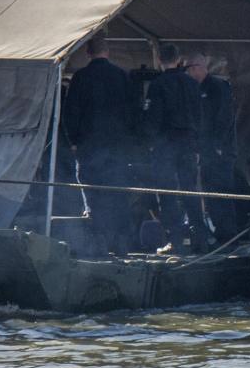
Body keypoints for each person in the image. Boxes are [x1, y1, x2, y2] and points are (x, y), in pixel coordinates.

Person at [63, 37, 134, 254]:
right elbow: (132, 112)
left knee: (93, 195)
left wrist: (73, 140)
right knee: (118, 194)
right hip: (117, 147)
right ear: (108, 52)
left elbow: (70, 112)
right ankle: (122, 244)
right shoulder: (122, 76)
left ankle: (99, 243)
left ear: (88, 52)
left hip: (90, 145)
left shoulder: (81, 77)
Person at [143, 42, 207, 252]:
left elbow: (152, 118)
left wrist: (150, 144)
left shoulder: (158, 85)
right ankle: (201, 238)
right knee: (190, 190)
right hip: (188, 143)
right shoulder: (192, 84)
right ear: (179, 60)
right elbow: (199, 116)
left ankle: (175, 240)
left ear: (160, 61)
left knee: (167, 192)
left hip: (166, 144)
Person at [185, 52, 240, 243]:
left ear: (198, 67)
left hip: (220, 151)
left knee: (221, 191)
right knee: (209, 192)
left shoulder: (218, 87)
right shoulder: (192, 89)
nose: (188, 73)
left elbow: (225, 117)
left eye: (189, 68)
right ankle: (219, 231)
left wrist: (217, 145)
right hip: (204, 151)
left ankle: (229, 234)